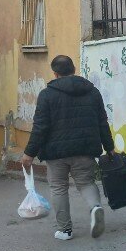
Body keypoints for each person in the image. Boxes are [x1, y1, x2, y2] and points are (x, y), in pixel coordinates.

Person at [21, 54, 114, 241]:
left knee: (58, 187)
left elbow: (40, 127)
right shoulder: (92, 92)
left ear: (55, 74)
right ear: (73, 69)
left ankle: (65, 230)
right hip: (85, 148)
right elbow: (102, 122)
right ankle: (95, 207)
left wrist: (29, 153)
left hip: (56, 152)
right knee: (86, 182)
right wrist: (109, 147)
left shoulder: (47, 95)